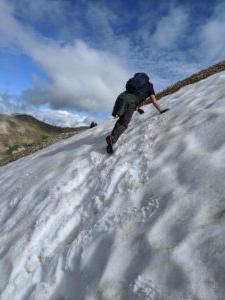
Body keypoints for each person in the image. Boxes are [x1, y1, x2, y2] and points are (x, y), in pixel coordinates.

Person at [106, 73, 169, 154]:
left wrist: (137, 109)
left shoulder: (135, 84)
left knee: (121, 120)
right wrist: (161, 110)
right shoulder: (150, 86)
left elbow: (135, 95)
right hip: (131, 102)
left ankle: (112, 138)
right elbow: (154, 101)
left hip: (121, 98)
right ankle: (113, 138)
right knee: (124, 123)